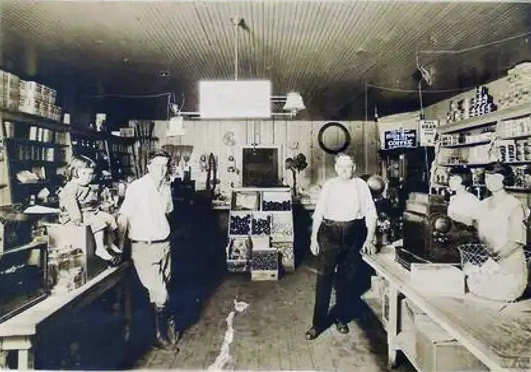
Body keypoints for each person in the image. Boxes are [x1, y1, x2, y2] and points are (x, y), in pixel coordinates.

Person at [305, 153, 377, 340]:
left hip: (354, 233)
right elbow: (319, 212)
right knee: (324, 280)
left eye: (349, 167)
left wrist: (369, 238)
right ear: (336, 168)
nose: (345, 170)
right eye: (341, 167)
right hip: (329, 233)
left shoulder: (361, 186)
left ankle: (341, 318)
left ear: (354, 168)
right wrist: (313, 238)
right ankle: (318, 323)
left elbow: (371, 213)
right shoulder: (329, 185)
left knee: (347, 280)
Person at [117, 148, 178, 351]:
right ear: (148, 166)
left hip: (164, 245)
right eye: (157, 166)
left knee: (164, 288)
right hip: (144, 247)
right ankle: (158, 336)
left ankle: (161, 326)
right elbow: (123, 216)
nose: (162, 170)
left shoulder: (166, 187)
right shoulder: (137, 187)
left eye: (165, 166)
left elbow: (167, 213)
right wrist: (119, 247)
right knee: (160, 293)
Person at [465, 162, 529, 302]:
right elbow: (477, 233)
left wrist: (493, 259)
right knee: (471, 287)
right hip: (488, 266)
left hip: (509, 270)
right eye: (487, 177)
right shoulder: (482, 205)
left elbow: (516, 241)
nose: (490, 181)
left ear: (505, 179)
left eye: (495, 177)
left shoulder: (514, 205)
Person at [59, 155, 121, 264]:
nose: (88, 177)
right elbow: (72, 204)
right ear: (74, 172)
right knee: (98, 221)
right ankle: (100, 248)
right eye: (84, 173)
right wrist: (76, 219)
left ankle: (109, 242)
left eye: (90, 174)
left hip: (87, 212)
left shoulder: (87, 186)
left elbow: (91, 202)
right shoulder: (71, 187)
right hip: (72, 217)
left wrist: (99, 208)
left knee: (109, 218)